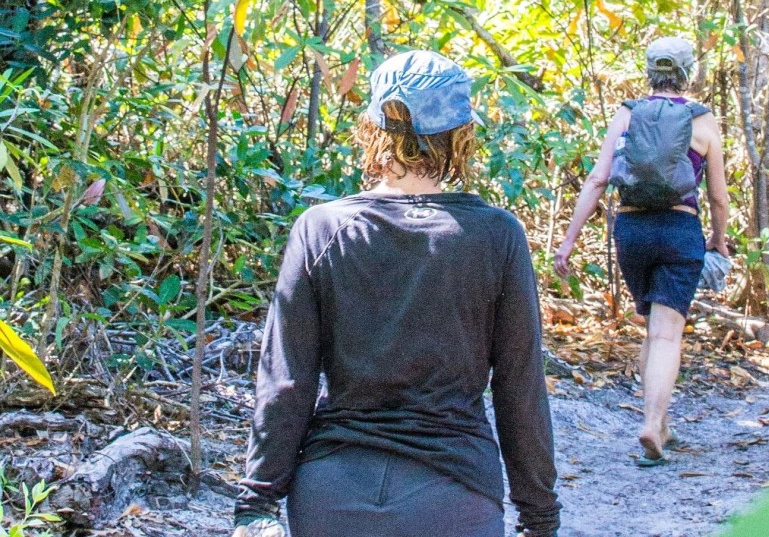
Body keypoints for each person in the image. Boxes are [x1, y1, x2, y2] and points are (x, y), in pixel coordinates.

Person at [232, 50, 560, 537]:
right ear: (462, 135)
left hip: (330, 493)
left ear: (372, 127)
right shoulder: (496, 235)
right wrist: (539, 518)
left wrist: (257, 504)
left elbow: (286, 379)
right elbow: (520, 385)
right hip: (451, 498)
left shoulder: (320, 229)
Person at [554, 36, 729, 466]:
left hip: (631, 230)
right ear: (689, 72)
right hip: (679, 230)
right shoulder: (702, 121)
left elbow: (598, 180)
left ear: (649, 71)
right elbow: (719, 197)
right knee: (667, 332)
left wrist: (570, 238)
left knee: (653, 323)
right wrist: (719, 239)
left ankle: (661, 424)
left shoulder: (627, 114)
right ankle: (652, 423)